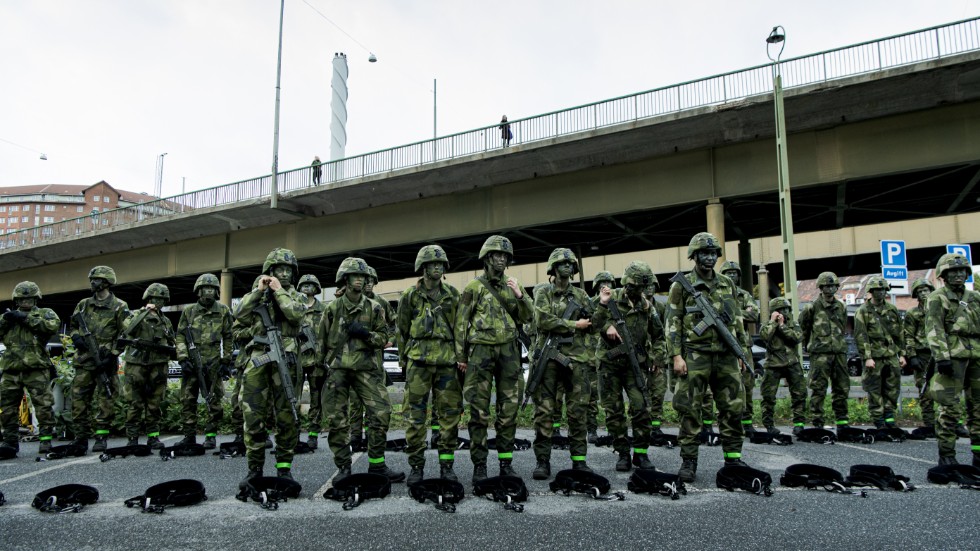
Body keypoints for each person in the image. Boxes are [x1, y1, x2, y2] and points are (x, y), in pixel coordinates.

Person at [667, 232, 752, 483]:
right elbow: (673, 322)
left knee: (733, 407)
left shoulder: (728, 283)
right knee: (689, 409)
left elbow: (736, 322)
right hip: (695, 355)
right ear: (694, 256)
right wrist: (676, 356)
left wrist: (741, 352)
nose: (709, 258)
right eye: (704, 253)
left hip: (726, 355)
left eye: (713, 253)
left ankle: (733, 458)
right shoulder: (681, 285)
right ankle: (689, 461)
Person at [318, 257, 404, 483]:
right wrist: (319, 372)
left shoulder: (374, 307)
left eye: (362, 276)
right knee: (338, 421)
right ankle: (344, 466)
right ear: (345, 280)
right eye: (355, 276)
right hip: (338, 370)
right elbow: (321, 341)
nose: (359, 280)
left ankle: (377, 465)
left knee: (382, 412)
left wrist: (366, 334)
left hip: (366, 369)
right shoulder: (332, 308)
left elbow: (385, 337)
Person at [455, 235, 533, 482]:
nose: (502, 259)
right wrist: (461, 356)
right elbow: (461, 323)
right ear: (487, 258)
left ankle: (506, 462)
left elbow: (528, 317)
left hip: (509, 351)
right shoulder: (473, 288)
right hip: (480, 352)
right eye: (498, 255)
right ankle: (480, 465)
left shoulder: (513, 284)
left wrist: (520, 295)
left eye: (505, 257)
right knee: (478, 411)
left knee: (508, 409)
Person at [235, 248, 307, 489]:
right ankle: (254, 468)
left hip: (286, 358)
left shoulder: (296, 296)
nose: (284, 274)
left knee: (287, 415)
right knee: (252, 414)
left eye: (288, 270)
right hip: (258, 356)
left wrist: (279, 292)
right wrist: (259, 291)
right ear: (269, 272)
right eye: (279, 270)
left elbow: (295, 316)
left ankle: (284, 468)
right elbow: (240, 314)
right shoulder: (257, 295)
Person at [396, 245, 463, 485]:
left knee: (449, 416)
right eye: (432, 264)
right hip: (419, 363)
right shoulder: (410, 296)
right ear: (423, 267)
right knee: (415, 418)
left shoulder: (453, 294)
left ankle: (447, 466)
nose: (437, 268)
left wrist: (460, 357)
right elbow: (401, 330)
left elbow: (459, 328)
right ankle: (416, 466)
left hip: (446, 363)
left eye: (440, 264)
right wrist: (404, 359)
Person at [530, 248, 597, 480]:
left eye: (570, 264)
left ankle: (579, 462)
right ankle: (542, 461)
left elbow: (593, 320)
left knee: (578, 412)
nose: (567, 267)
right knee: (545, 411)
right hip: (549, 359)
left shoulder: (581, 295)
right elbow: (542, 319)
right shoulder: (543, 293)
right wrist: (572, 324)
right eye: (562, 264)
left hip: (577, 359)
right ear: (553, 268)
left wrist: (602, 307)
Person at [595, 261, 663, 472]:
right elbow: (591, 320)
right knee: (614, 411)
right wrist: (607, 327)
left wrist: (657, 357)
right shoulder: (609, 297)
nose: (637, 291)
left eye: (642, 287)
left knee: (642, 407)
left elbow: (659, 336)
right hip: (610, 364)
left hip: (635, 366)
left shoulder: (646, 306)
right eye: (634, 287)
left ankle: (641, 454)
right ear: (626, 283)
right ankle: (623, 453)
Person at [924, 253, 980, 467]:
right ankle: (947, 456)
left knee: (978, 409)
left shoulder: (975, 298)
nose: (958, 274)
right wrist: (941, 357)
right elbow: (934, 328)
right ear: (943, 275)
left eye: (961, 270)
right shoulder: (937, 297)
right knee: (949, 408)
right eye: (952, 271)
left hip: (976, 356)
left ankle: (978, 455)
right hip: (953, 357)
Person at [69, 265, 130, 453]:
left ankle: (101, 437)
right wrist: (76, 338)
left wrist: (113, 355)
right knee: (78, 400)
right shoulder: (83, 305)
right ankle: (80, 438)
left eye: (96, 279)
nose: (92, 282)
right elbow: (73, 326)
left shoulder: (120, 306)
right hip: (84, 361)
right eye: (92, 279)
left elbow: (126, 333)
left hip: (105, 362)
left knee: (106, 400)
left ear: (106, 282)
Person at [0, 282, 60, 456]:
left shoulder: (44, 314)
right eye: (22, 298)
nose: (25, 301)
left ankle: (46, 439)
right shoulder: (8, 317)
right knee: (8, 407)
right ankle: (9, 442)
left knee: (43, 406)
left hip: (36, 368)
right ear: (16, 299)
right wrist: (7, 320)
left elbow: (51, 327)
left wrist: (25, 318)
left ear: (36, 299)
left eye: (29, 298)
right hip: (12, 369)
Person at [175, 273, 234, 450]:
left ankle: (210, 435)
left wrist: (226, 361)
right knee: (187, 399)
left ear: (216, 291)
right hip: (192, 362)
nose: (207, 292)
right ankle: (189, 436)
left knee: (214, 400)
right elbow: (180, 335)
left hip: (214, 363)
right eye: (204, 288)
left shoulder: (223, 311)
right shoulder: (189, 311)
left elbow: (229, 337)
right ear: (198, 291)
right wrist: (183, 358)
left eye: (211, 289)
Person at [119, 283, 176, 448]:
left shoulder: (165, 321)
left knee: (155, 403)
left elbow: (172, 340)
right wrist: (145, 312)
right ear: (148, 299)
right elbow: (128, 328)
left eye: (162, 300)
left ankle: (153, 436)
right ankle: (132, 438)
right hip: (136, 365)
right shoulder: (136, 315)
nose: (159, 302)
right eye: (156, 299)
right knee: (134, 403)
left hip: (158, 366)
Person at [799, 271, 850, 430]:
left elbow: (842, 327)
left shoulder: (841, 306)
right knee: (818, 388)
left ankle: (842, 422)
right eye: (826, 286)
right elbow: (804, 329)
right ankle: (817, 422)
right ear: (820, 288)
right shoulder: (811, 307)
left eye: (833, 286)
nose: (830, 289)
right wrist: (807, 347)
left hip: (839, 353)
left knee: (841, 388)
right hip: (820, 353)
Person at [854, 276, 907, 429]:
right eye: (877, 290)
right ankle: (878, 419)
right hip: (875, 356)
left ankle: (890, 418)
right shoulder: (863, 311)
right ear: (871, 291)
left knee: (892, 387)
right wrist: (867, 357)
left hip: (891, 355)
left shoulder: (891, 309)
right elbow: (861, 335)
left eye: (883, 289)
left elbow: (899, 333)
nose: (881, 293)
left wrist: (902, 354)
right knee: (874, 388)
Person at [720, 261, 760, 435]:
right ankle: (726, 422)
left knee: (747, 384)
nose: (731, 276)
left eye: (734, 273)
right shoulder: (717, 295)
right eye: (727, 273)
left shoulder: (744, 296)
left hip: (743, 346)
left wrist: (733, 314)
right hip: (722, 346)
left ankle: (747, 422)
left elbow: (754, 314)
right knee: (723, 386)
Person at [759, 297, 806, 435]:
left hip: (792, 363)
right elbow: (765, 337)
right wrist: (773, 323)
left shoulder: (793, 324)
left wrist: (782, 326)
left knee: (799, 393)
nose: (784, 312)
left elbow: (797, 338)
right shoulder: (767, 325)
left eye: (786, 309)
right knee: (768, 396)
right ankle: (768, 425)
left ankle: (799, 424)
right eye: (781, 310)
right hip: (773, 364)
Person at [904, 278, 940, 434]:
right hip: (922, 355)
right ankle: (930, 424)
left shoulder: (940, 309)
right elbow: (908, 335)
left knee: (949, 390)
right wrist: (912, 356)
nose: (924, 293)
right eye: (920, 291)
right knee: (925, 391)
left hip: (940, 353)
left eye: (926, 290)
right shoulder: (913, 313)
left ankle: (955, 424)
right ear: (916, 295)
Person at [295, 274, 327, 449]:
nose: (307, 288)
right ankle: (294, 433)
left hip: (316, 360)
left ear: (316, 289)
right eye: (304, 285)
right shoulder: (294, 308)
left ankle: (313, 434)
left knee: (316, 399)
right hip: (298, 359)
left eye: (311, 285)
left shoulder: (323, 310)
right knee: (294, 398)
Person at [586, 271, 616, 442]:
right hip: (591, 357)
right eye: (602, 283)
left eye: (609, 282)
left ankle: (613, 431)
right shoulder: (591, 304)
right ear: (596, 286)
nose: (606, 285)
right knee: (590, 397)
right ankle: (591, 430)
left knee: (611, 397)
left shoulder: (618, 302)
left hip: (610, 356)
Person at [643, 277, 669, 437]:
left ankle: (656, 426)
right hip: (641, 357)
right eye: (646, 285)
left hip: (658, 357)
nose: (650, 288)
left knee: (658, 393)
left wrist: (659, 357)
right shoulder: (636, 306)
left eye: (653, 285)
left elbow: (664, 333)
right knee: (641, 395)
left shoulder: (661, 307)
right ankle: (643, 427)